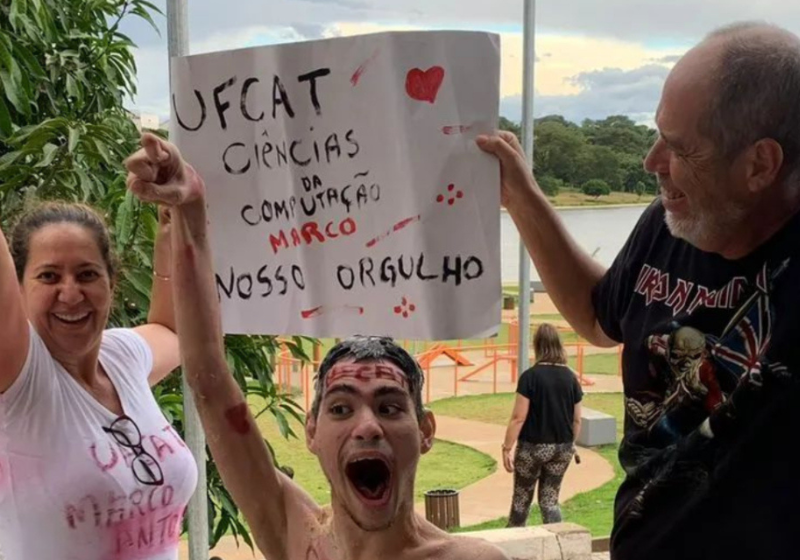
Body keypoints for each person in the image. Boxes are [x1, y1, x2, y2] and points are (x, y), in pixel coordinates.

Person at [477, 20, 800, 560]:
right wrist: (523, 198)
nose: (652, 162)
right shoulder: (673, 220)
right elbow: (600, 317)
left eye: (678, 147)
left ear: (760, 165)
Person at [123, 132, 509, 560]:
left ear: (426, 431)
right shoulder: (295, 534)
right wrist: (190, 212)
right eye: (341, 408)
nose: (367, 427)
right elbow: (209, 383)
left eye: (390, 407)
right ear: (311, 431)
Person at [0, 191, 198, 558]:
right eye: (48, 276)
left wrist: (172, 226)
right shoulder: (18, 383)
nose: (71, 294)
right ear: (18, 290)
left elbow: (172, 331)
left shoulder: (123, 356)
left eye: (87, 274)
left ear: (111, 281)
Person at [501, 323, 582, 526]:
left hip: (532, 447)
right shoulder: (571, 378)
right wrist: (570, 443)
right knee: (550, 501)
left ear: (537, 346)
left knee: (521, 501)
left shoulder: (530, 377)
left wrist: (507, 447)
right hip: (562, 448)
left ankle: (513, 548)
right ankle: (559, 546)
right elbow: (577, 419)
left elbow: (518, 417)